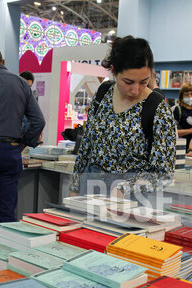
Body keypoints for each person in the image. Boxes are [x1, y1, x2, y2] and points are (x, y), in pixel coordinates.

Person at [69, 36, 176, 198]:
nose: (136, 89)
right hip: (90, 186)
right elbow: (86, 146)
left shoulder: (157, 108)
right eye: (128, 81)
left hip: (131, 198)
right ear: (113, 71)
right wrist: (75, 187)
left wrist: (126, 188)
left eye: (144, 81)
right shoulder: (103, 93)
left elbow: (163, 173)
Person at [0, 48, 45, 245]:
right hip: (10, 153)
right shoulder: (21, 83)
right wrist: (22, 143)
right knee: (8, 214)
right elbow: (38, 121)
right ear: (3, 61)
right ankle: (9, 261)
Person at [173, 83, 192, 152]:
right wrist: (191, 131)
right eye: (186, 94)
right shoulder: (176, 109)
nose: (189, 97)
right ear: (182, 96)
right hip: (179, 148)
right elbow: (171, 132)